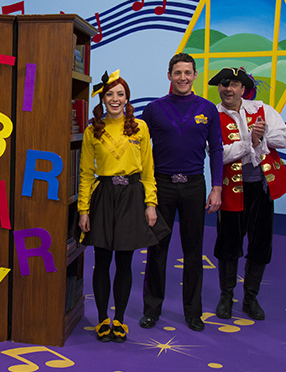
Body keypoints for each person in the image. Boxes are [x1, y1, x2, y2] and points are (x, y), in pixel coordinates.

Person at [78, 70, 170, 342]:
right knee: (102, 261)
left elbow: (148, 171)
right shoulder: (92, 130)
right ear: (102, 98)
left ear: (127, 98)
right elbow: (85, 173)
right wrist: (84, 210)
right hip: (104, 197)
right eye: (110, 94)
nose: (115, 99)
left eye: (120, 94)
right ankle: (102, 319)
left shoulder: (140, 128)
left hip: (132, 195)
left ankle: (119, 320)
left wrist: (150, 204)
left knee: (125, 262)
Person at [140, 53, 223, 332]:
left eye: (188, 72)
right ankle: (151, 309)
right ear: (169, 75)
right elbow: (139, 149)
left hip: (194, 186)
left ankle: (193, 312)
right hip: (161, 186)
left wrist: (217, 187)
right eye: (178, 73)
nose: (183, 78)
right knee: (157, 249)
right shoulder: (153, 109)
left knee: (193, 250)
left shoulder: (209, 109)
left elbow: (217, 150)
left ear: (195, 75)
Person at [208, 67, 286, 320]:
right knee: (228, 245)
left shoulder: (263, 109)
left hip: (261, 189)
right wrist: (249, 143)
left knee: (260, 245)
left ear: (243, 89)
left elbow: (283, 138)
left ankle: (250, 298)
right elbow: (218, 153)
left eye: (234, 84)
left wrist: (262, 135)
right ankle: (226, 296)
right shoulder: (212, 115)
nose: (228, 89)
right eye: (224, 84)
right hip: (231, 190)